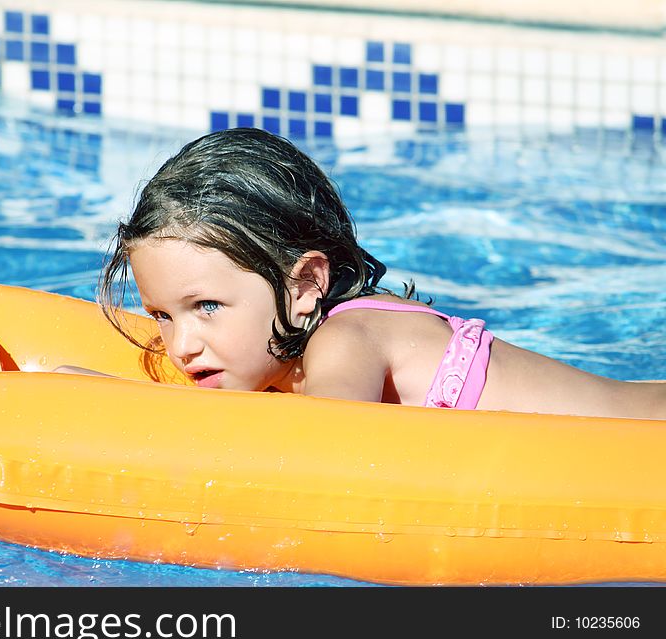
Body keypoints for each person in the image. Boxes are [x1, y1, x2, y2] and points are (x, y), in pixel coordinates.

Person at [64, 127, 665, 420]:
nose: (181, 345)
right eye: (161, 315)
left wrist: (122, 404)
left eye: (207, 308)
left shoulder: (346, 340)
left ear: (304, 284)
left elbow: (328, 448)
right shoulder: (293, 355)